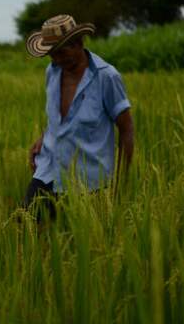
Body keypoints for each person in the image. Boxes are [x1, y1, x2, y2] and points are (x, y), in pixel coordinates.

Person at [23, 14, 134, 221]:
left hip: (89, 183)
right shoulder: (52, 71)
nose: (56, 59)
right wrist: (43, 138)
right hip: (49, 171)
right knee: (25, 234)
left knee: (81, 245)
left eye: (61, 52)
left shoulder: (106, 77)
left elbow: (126, 129)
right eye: (52, 54)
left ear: (79, 43)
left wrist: (119, 185)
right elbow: (59, 119)